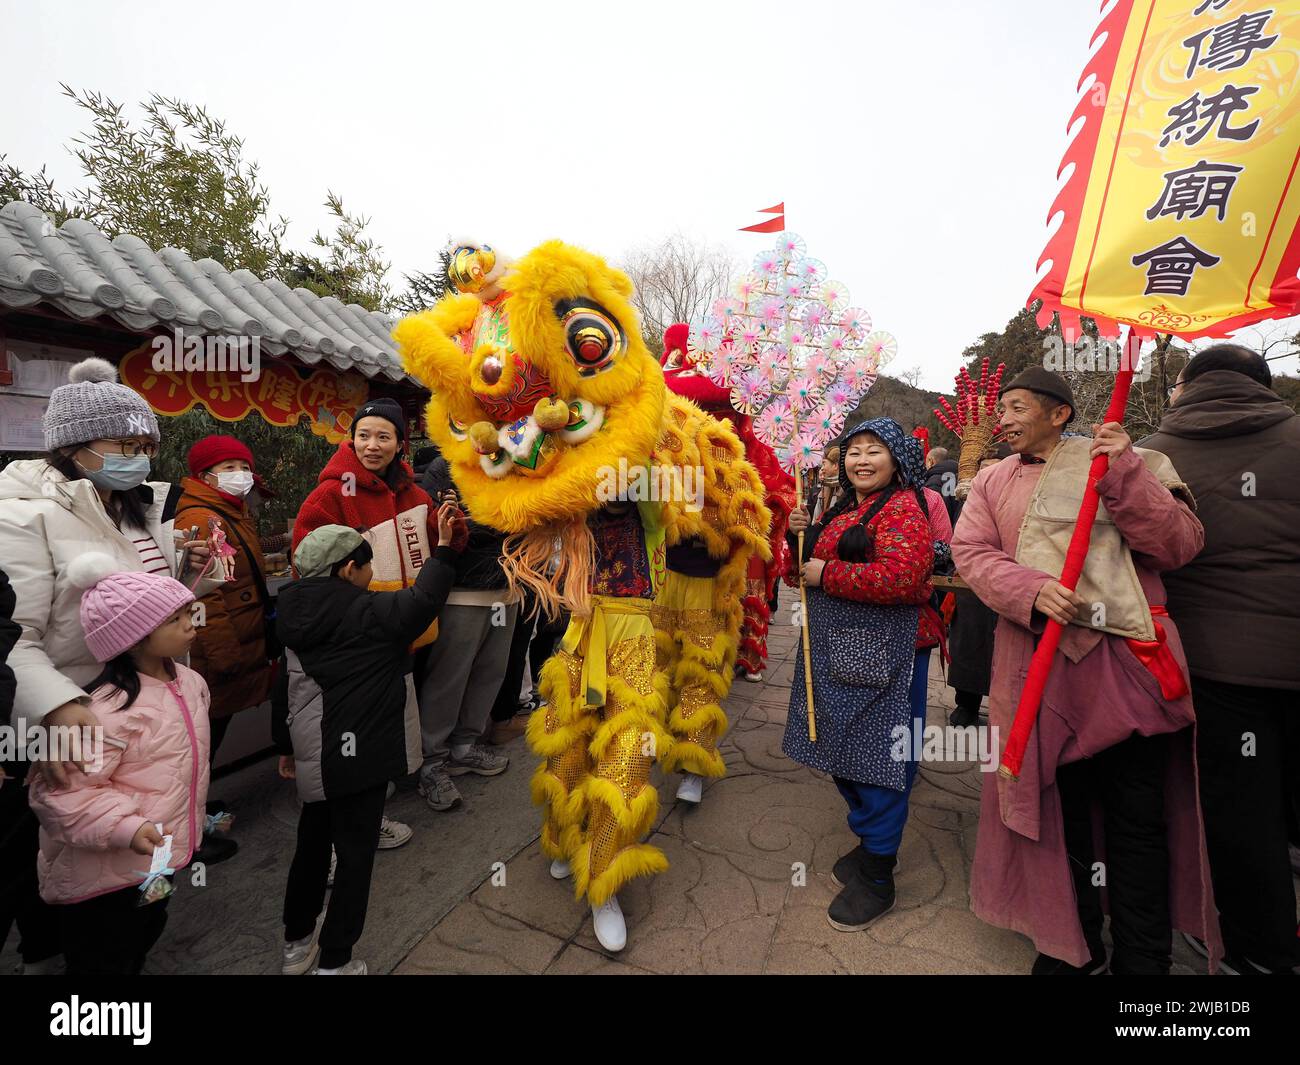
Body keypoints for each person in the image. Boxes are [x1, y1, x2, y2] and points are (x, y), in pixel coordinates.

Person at [950, 366, 1220, 974]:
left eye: (1018, 406)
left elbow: (1177, 546)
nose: (1006, 419)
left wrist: (1126, 473)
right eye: (1002, 408)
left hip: (1126, 669)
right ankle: (1072, 943)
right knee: (1057, 814)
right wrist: (1031, 589)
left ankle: (1143, 958)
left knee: (1136, 818)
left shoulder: (1134, 461)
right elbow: (972, 553)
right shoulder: (992, 480)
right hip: (1036, 669)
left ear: (1060, 413)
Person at [0, 358, 219, 974]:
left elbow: (139, 609)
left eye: (146, 445)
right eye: (125, 444)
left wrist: (184, 572)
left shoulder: (137, 508)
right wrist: (57, 705)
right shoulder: (23, 514)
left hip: (139, 714)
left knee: (132, 858)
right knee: (64, 854)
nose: (139, 457)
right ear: (73, 447)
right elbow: (11, 636)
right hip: (71, 723)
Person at [1141, 344, 1300, 975]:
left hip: (1212, 661)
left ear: (1183, 387)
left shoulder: (1152, 453)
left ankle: (1260, 954)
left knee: (1242, 813)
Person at [276, 513, 462, 975]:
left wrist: (284, 746)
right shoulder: (365, 611)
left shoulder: (291, 611)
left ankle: (297, 944)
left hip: (313, 754)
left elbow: (283, 685)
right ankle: (335, 962)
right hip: (355, 757)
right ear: (346, 569)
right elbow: (423, 602)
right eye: (366, 564)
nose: (371, 573)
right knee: (356, 856)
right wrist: (443, 549)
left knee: (312, 846)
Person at [783, 418, 937, 933]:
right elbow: (796, 577)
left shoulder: (903, 509)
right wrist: (796, 537)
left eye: (874, 451)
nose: (861, 460)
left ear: (897, 461)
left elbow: (904, 577)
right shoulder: (845, 508)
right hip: (841, 653)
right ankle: (870, 840)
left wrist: (827, 572)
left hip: (889, 658)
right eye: (853, 452)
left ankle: (878, 875)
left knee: (880, 764)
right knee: (845, 752)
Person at [27, 554, 209, 975]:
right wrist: (128, 827)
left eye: (189, 613)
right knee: (105, 957)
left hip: (161, 859)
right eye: (175, 619)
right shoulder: (102, 712)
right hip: (106, 878)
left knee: (147, 927)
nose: (191, 625)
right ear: (134, 637)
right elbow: (60, 796)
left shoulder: (191, 684)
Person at [293, 397, 459, 846]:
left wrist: (452, 528)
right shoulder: (330, 494)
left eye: (383, 436)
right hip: (357, 640)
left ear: (400, 444)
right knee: (353, 733)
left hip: (408, 631)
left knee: (392, 722)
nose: (372, 444)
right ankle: (347, 830)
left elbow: (442, 544)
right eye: (363, 435)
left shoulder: (416, 495)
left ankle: (374, 806)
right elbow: (306, 564)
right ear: (351, 440)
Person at [176, 435, 277, 864]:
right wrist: (226, 658)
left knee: (207, 742)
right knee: (199, 745)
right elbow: (203, 597)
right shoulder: (202, 515)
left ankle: (197, 811)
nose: (240, 474)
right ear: (204, 475)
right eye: (229, 465)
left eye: (243, 464)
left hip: (233, 646)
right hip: (216, 656)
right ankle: (187, 835)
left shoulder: (228, 510)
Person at [414, 457, 512, 811]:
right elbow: (445, 526)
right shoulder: (444, 468)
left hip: (507, 590)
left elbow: (533, 516)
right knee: (449, 677)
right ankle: (431, 761)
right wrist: (505, 520)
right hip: (462, 592)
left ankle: (465, 746)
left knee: (490, 672)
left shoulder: (514, 465)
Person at [946, 444, 1012, 728]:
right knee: (970, 643)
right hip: (972, 581)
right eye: (984, 468)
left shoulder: (1020, 495)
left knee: (1007, 649)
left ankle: (1006, 708)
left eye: (995, 467)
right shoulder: (968, 497)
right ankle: (966, 704)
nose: (988, 473)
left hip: (1012, 581)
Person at [923, 446, 960, 526]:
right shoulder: (960, 476)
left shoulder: (934, 481)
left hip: (943, 529)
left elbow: (931, 512)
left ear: (931, 461)